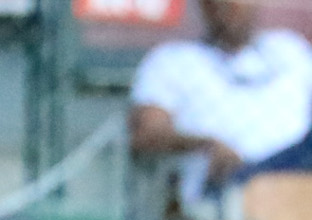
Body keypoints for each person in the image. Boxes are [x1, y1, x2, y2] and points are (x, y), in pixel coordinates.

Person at [129, 0, 312, 208]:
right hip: (225, 189)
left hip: (297, 180)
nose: (232, 7)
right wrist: (203, 145)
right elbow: (146, 133)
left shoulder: (291, 51)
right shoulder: (173, 60)